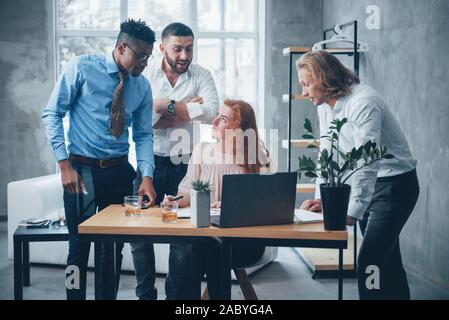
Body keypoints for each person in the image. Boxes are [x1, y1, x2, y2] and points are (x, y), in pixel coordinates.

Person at [41, 19, 157, 300]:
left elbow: (143, 135)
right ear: (121, 47)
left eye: (148, 57)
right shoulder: (81, 68)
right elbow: (52, 114)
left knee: (112, 247)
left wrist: (146, 177)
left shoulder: (141, 87)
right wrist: (64, 165)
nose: (144, 62)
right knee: (77, 246)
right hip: (81, 171)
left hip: (119, 172)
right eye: (140, 55)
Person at [296, 50, 419, 300]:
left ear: (324, 78)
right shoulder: (326, 104)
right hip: (367, 184)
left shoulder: (363, 102)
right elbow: (328, 151)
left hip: (394, 186)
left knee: (370, 261)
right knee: (388, 262)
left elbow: (367, 161)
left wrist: (351, 212)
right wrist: (323, 198)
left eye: (306, 84)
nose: (304, 92)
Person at [130, 22, 219, 300]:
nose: (184, 55)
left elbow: (211, 112)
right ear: (162, 48)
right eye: (177, 48)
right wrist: (185, 109)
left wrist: (162, 105)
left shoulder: (202, 75)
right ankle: (146, 294)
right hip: (149, 165)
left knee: (184, 239)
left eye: (189, 48)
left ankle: (177, 299)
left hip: (187, 166)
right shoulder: (146, 76)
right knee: (139, 235)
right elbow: (139, 120)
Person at [163, 99, 273, 299]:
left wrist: (235, 205)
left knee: (206, 250)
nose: (213, 121)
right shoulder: (202, 150)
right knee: (187, 246)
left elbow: (267, 204)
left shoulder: (257, 156)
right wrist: (175, 200)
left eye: (222, 119)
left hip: (244, 241)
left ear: (239, 129)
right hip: (206, 235)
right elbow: (187, 190)